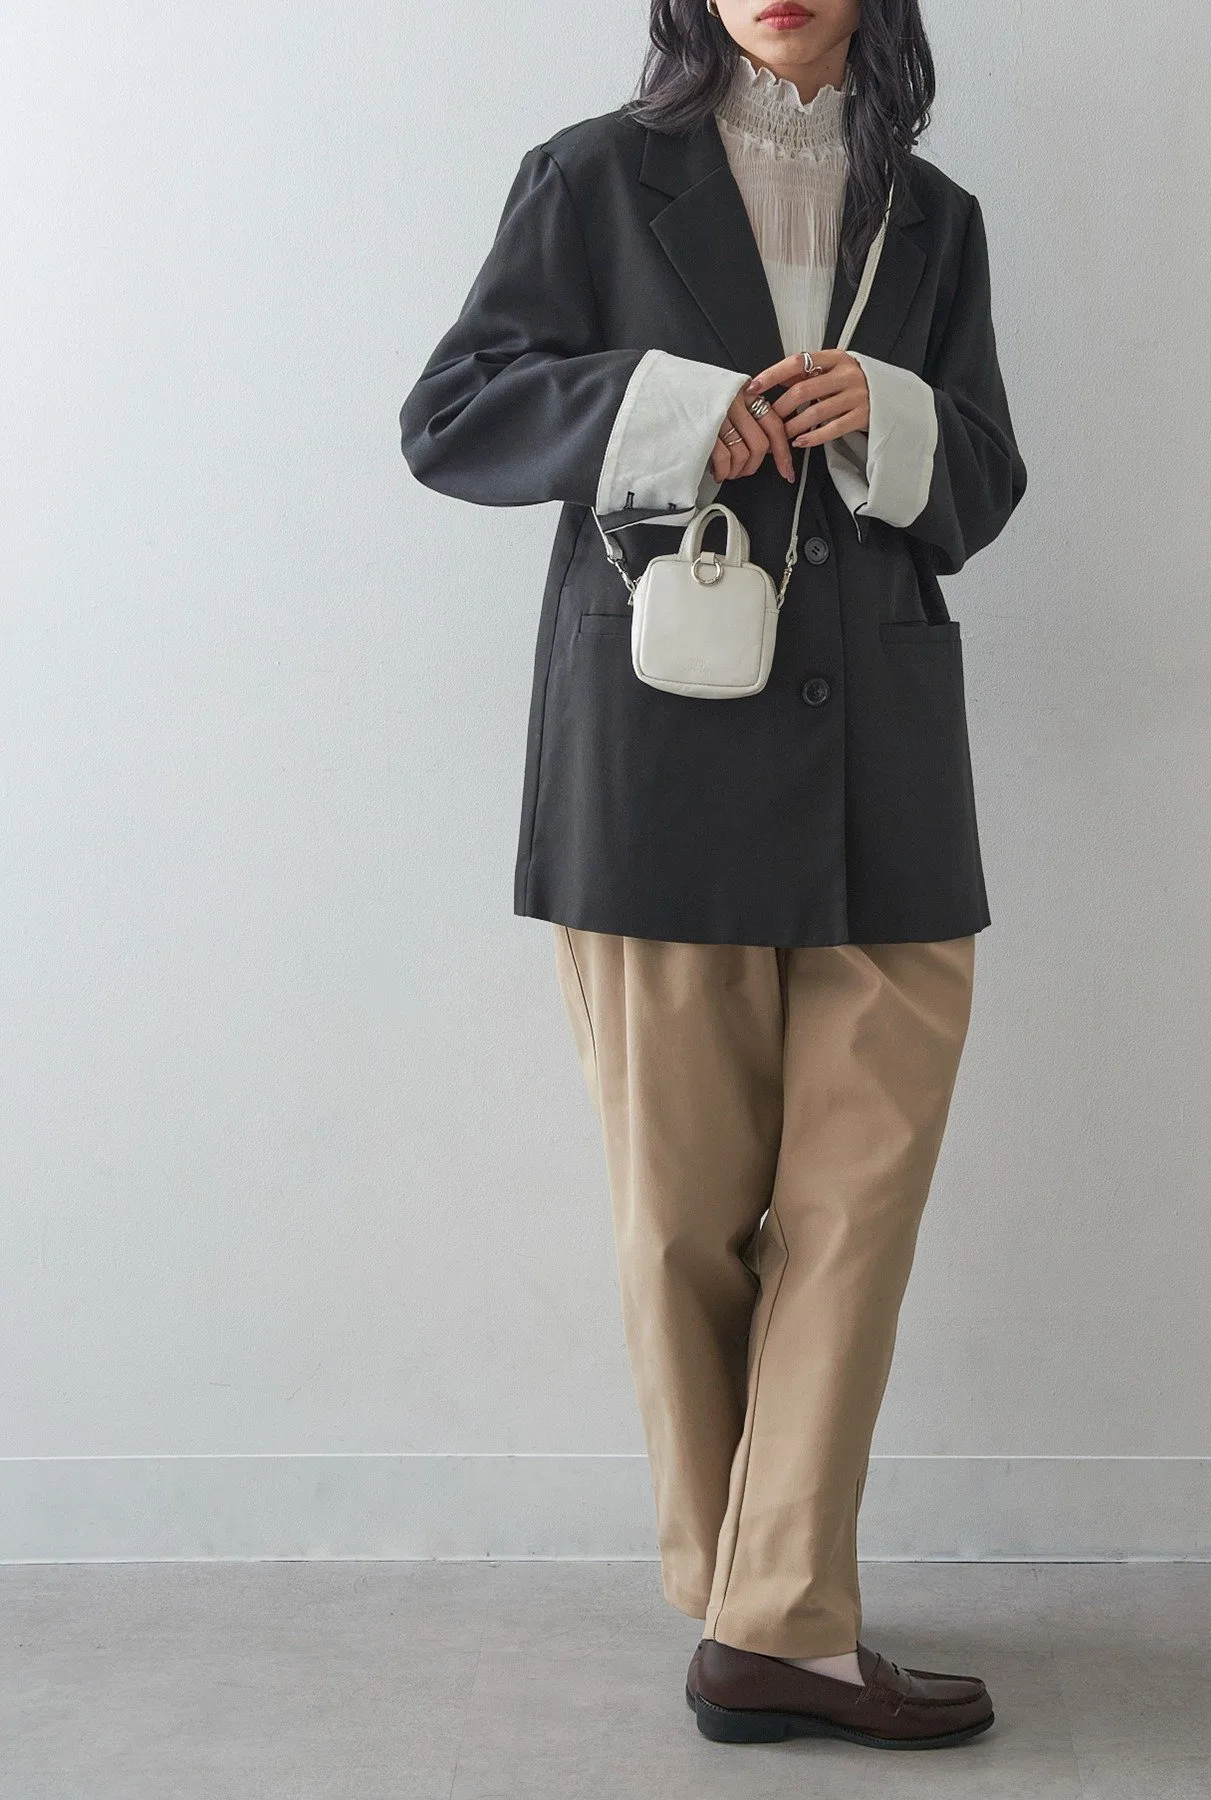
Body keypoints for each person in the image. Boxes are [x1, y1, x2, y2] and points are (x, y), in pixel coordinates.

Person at [399, 0, 1025, 1751]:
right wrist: (671, 415)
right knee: (683, 1223)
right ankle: (760, 1615)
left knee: (856, 1216)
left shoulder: (935, 214)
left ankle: (776, 1626)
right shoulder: (595, 177)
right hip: (660, 768)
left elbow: (984, 482)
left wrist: (892, 414)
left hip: (887, 778)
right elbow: (452, 416)